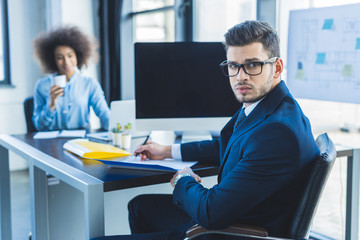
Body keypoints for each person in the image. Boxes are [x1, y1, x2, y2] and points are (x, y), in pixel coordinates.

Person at [93, 20, 319, 240]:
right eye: (233, 66)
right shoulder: (272, 107)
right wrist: (168, 150)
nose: (241, 76)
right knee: (140, 207)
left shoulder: (278, 132)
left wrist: (183, 180)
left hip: (231, 231)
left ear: (277, 67)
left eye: (252, 65)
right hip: (237, 217)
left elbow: (211, 213)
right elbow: (232, 146)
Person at [32, 26, 110, 131]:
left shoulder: (89, 84)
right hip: (51, 144)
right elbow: (39, 126)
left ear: (78, 56)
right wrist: (50, 105)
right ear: (52, 59)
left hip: (81, 142)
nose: (66, 62)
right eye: (60, 57)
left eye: (70, 56)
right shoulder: (42, 85)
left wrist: (116, 130)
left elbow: (104, 113)